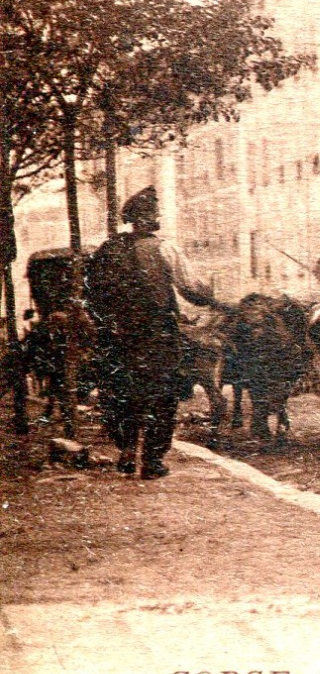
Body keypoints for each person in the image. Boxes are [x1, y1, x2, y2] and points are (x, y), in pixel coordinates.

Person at [85, 186, 215, 478]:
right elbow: (190, 289)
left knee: (119, 392)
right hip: (156, 335)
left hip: (115, 336)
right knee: (163, 395)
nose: (157, 217)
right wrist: (212, 298)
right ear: (147, 218)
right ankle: (153, 460)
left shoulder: (107, 249)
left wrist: (107, 324)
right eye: (154, 213)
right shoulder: (163, 248)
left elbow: (90, 293)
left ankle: (128, 450)